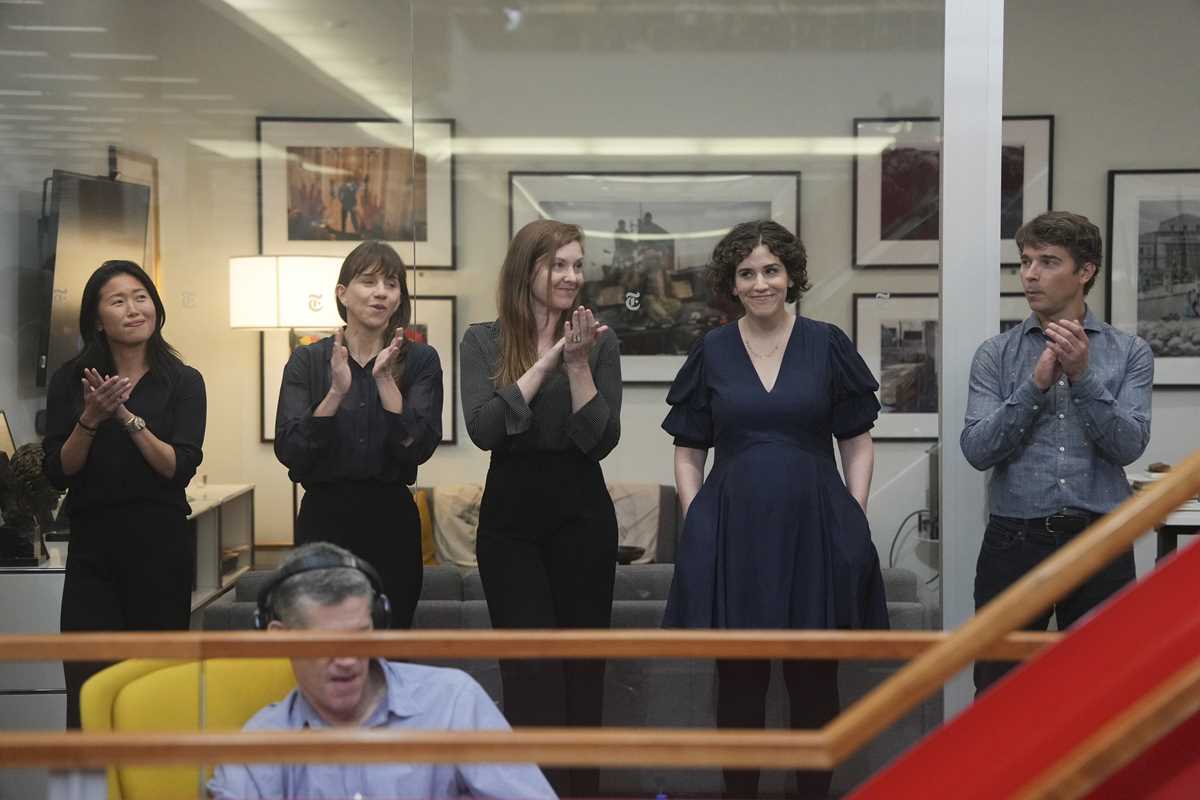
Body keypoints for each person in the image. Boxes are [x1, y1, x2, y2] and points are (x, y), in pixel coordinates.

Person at [662, 220, 888, 800]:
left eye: (771, 270)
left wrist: (854, 514)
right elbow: (688, 450)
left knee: (815, 685)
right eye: (746, 273)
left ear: (791, 276)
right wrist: (697, 518)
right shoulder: (712, 349)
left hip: (816, 529)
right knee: (739, 685)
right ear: (731, 283)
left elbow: (857, 440)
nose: (760, 283)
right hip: (733, 532)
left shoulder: (827, 342)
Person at [460, 219, 621, 798]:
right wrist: (548, 361)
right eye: (559, 265)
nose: (572, 276)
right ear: (526, 269)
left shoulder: (599, 341)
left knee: (583, 670)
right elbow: (484, 430)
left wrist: (578, 365)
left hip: (583, 518)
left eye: (578, 265)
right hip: (511, 525)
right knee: (529, 673)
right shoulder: (482, 340)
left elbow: (601, 440)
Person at [961, 211, 1153, 695]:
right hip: (1015, 540)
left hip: (1100, 540)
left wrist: (1083, 376)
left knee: (1104, 687)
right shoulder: (995, 354)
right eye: (1025, 261)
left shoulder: (1130, 353)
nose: (1030, 275)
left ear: (1085, 271)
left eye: (1047, 262)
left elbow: (1129, 445)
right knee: (998, 685)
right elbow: (977, 450)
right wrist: (1035, 386)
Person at [207, 542, 557, 800]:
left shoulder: (453, 702)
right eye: (326, 643)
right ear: (280, 640)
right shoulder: (257, 750)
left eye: (359, 636)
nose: (347, 660)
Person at [42, 260, 206, 729]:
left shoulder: (183, 381)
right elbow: (59, 472)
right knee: (89, 695)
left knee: (155, 693)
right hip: (93, 554)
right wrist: (91, 417)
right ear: (97, 319)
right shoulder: (70, 381)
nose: (134, 309)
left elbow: (177, 468)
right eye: (118, 301)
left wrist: (127, 418)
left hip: (161, 552)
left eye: (141, 297)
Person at [274, 240, 442, 630]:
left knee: (389, 636)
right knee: (320, 637)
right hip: (324, 518)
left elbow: (418, 446)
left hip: (391, 518)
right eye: (368, 281)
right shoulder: (307, 360)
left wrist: (384, 381)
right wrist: (335, 393)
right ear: (342, 293)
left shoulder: (421, 360)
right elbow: (291, 449)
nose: (381, 292)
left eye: (391, 284)